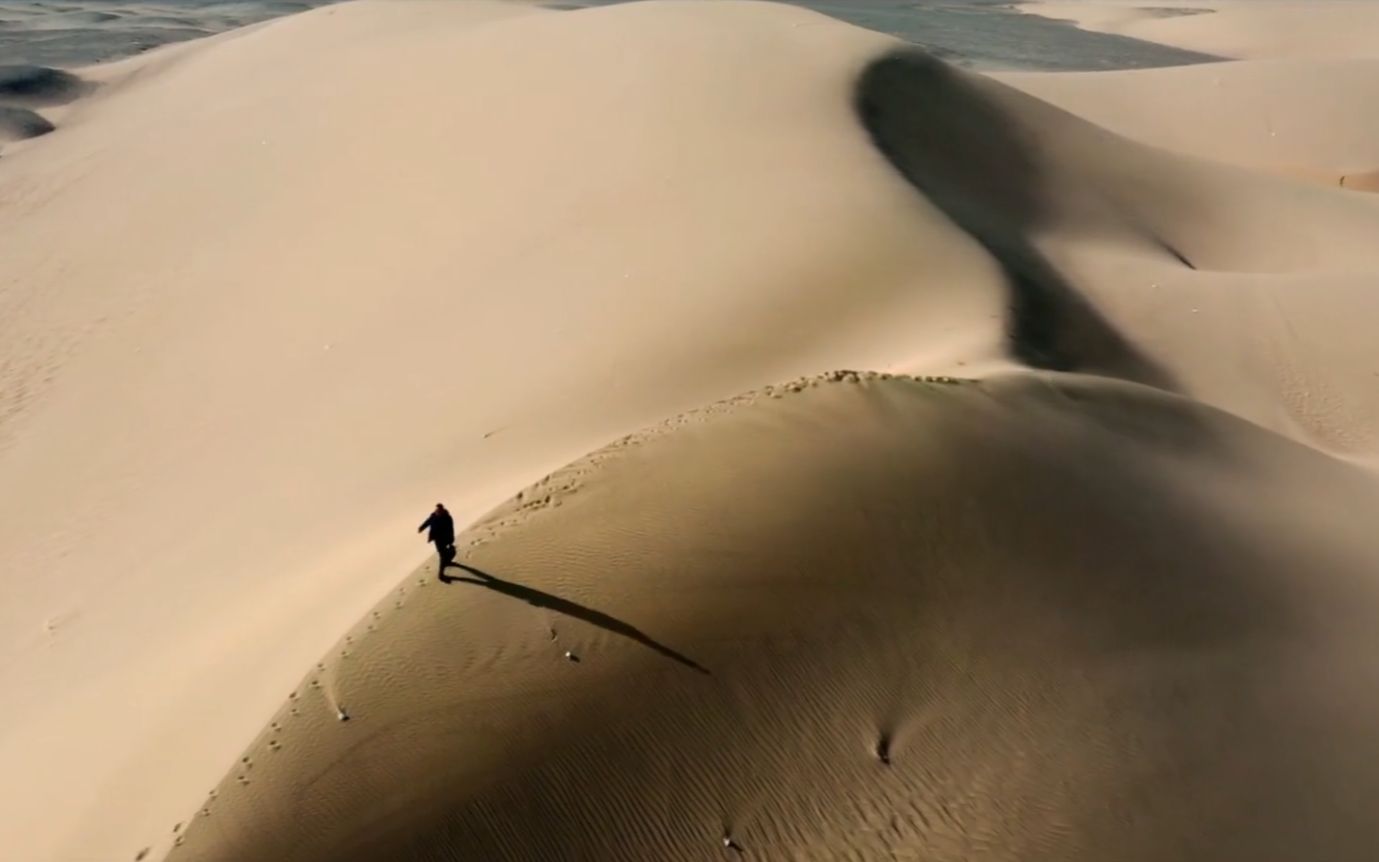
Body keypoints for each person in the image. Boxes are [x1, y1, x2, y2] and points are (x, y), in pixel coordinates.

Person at [418, 503, 456, 577]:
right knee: (442, 555)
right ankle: (441, 574)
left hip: (446, 538)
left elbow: (451, 529)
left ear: (442, 510)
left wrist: (451, 538)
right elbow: (427, 522)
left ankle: (448, 562)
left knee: (452, 551)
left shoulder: (447, 518)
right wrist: (421, 528)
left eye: (439, 510)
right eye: (437, 510)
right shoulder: (433, 516)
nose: (437, 511)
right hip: (437, 539)